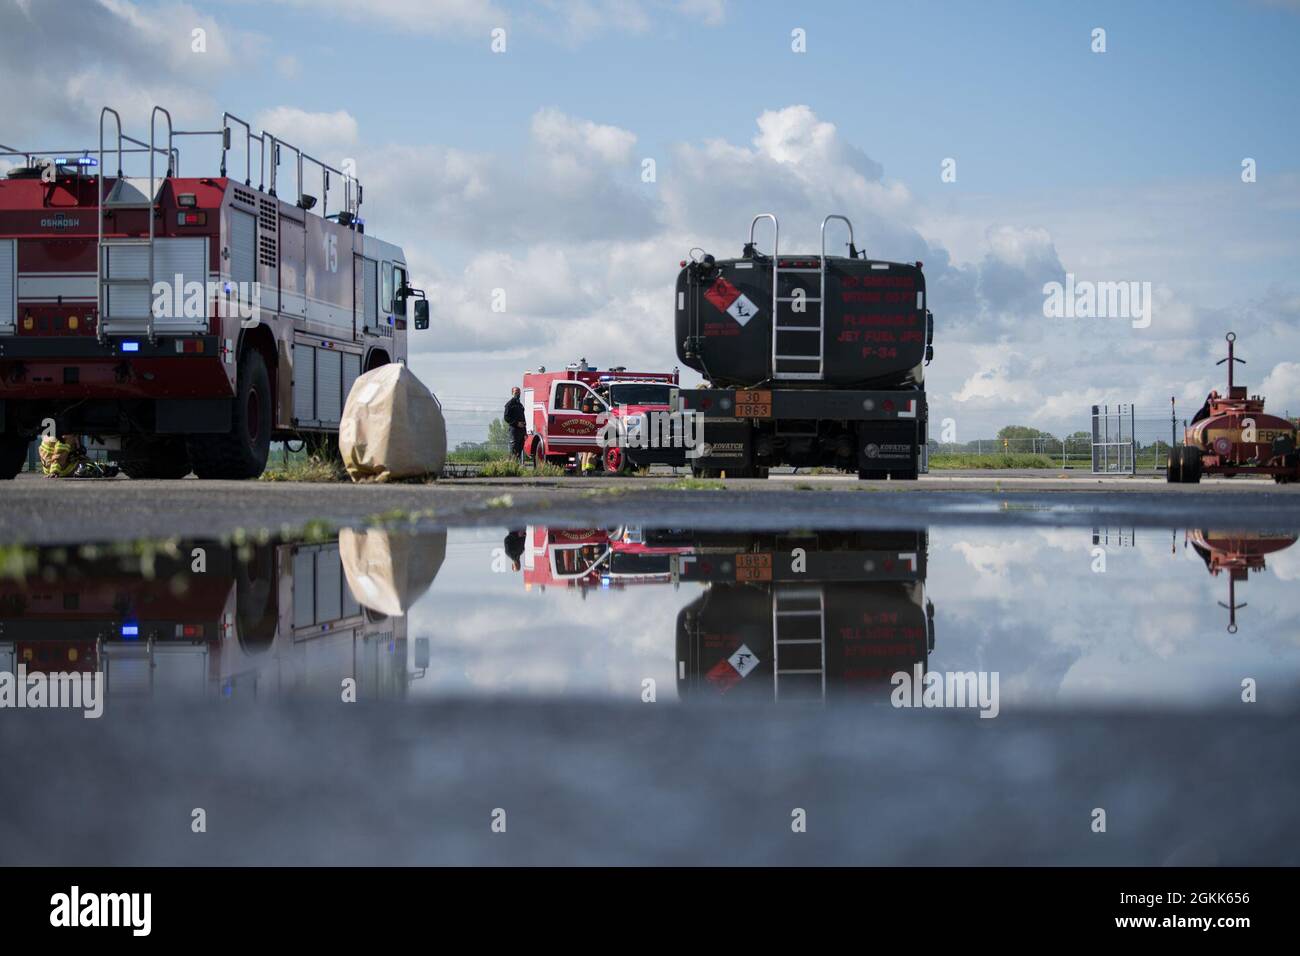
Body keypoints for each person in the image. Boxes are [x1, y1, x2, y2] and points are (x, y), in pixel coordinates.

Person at [504, 386, 527, 459]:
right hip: (514, 430)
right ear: (512, 393)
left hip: (521, 431)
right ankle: (511, 466)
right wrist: (516, 423)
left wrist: (525, 432)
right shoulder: (509, 404)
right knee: (514, 449)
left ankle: (517, 467)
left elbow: (523, 418)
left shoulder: (520, 405)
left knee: (519, 451)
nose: (517, 394)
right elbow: (506, 417)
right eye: (516, 392)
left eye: (519, 392)